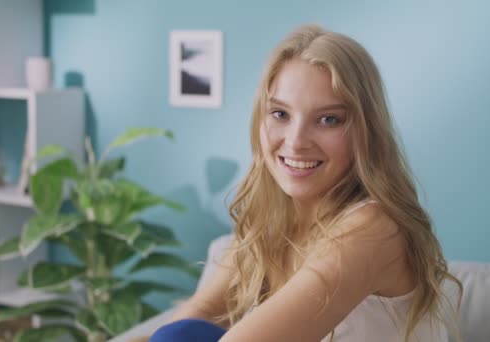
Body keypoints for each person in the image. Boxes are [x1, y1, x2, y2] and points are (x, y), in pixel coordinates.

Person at [144, 24, 462, 342]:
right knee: (180, 334)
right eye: (280, 114)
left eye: (328, 119)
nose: (296, 142)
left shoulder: (373, 228)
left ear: (365, 133)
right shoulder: (269, 221)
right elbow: (196, 315)